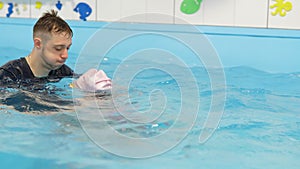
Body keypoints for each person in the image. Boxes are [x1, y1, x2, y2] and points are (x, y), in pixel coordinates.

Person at [0, 10, 111, 92]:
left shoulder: (62, 71)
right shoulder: (10, 74)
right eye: (58, 48)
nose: (65, 55)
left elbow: (80, 81)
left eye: (68, 48)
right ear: (38, 43)